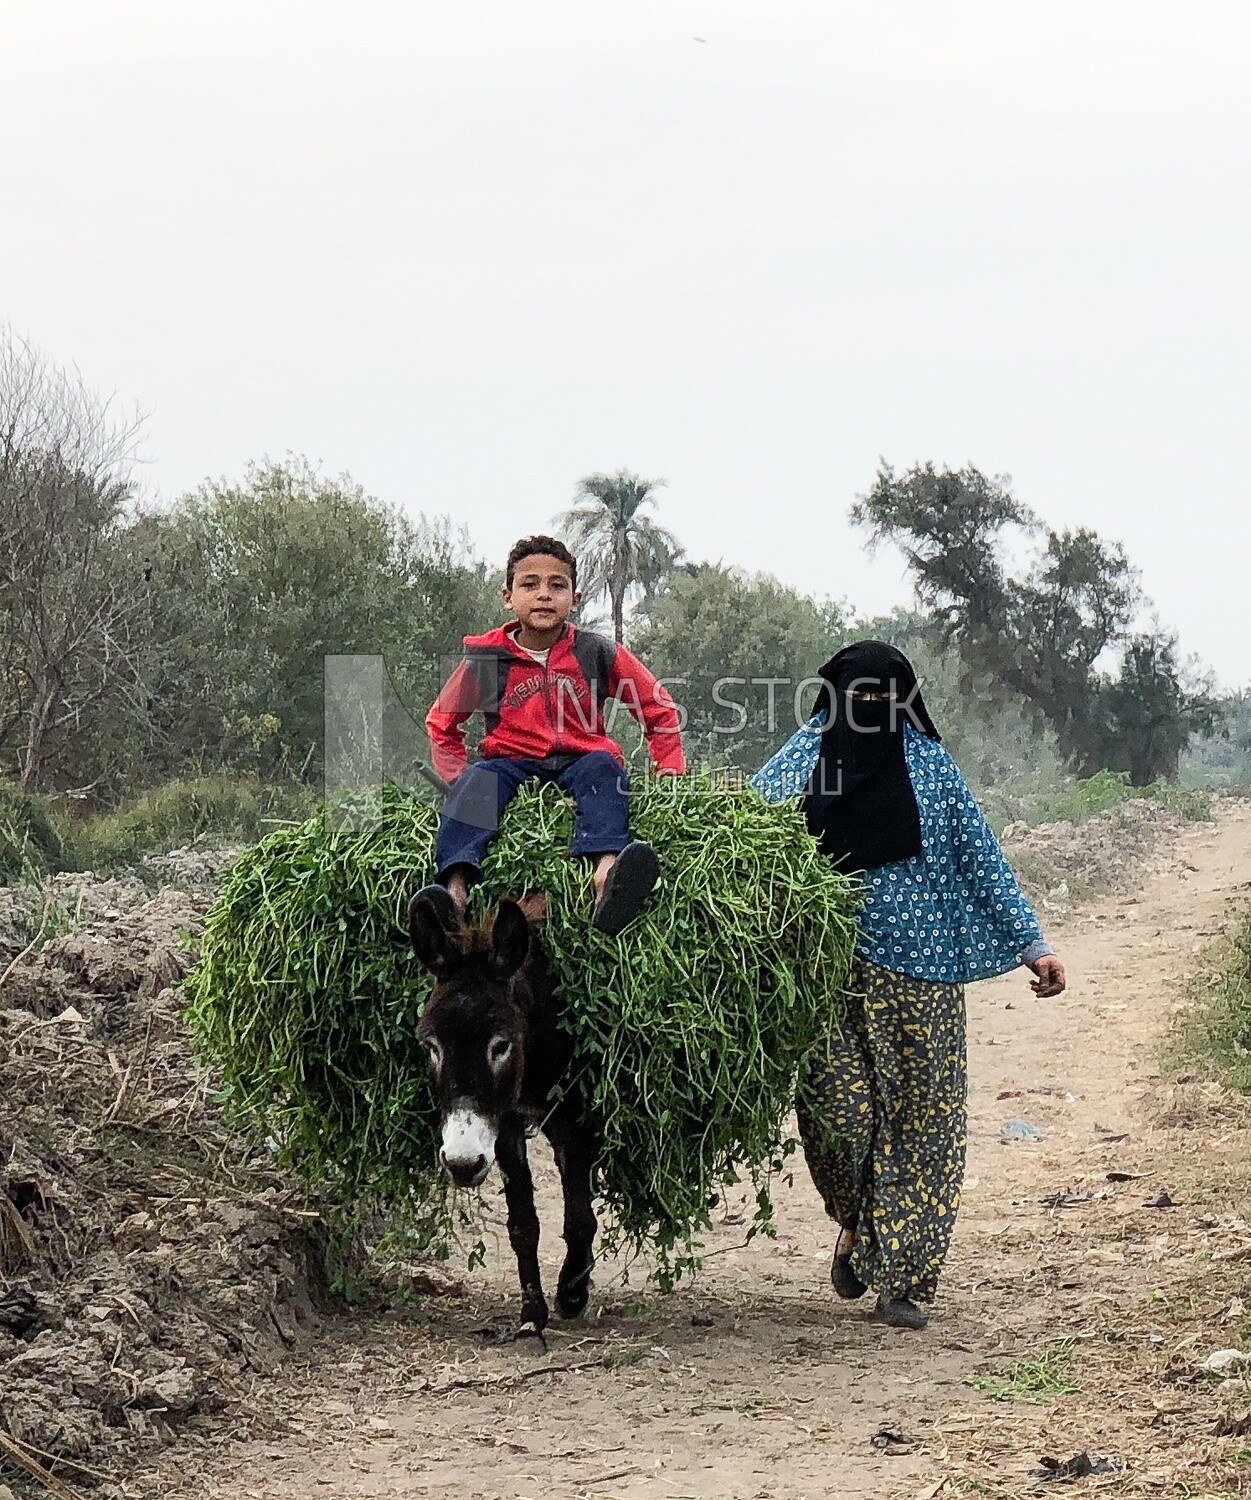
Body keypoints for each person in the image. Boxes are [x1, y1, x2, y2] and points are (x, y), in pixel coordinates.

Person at [750, 641, 1066, 1330]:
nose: (869, 706)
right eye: (856, 693)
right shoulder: (798, 763)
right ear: (832, 696)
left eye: (882, 694)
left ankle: (900, 1280)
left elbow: (981, 859)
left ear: (903, 699)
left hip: (920, 973)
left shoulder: (929, 768)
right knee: (838, 1121)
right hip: (823, 973)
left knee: (922, 1125)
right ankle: (856, 1224)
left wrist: (1031, 944)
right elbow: (745, 847)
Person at [415, 535, 685, 935]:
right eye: (530, 585)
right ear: (508, 597)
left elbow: (656, 706)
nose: (544, 595)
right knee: (476, 783)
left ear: (574, 599)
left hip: (581, 757)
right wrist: (455, 777)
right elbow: (442, 721)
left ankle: (608, 875)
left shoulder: (596, 652)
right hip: (510, 761)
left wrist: (670, 769)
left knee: (605, 770)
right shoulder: (487, 658)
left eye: (557, 585)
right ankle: (453, 892)